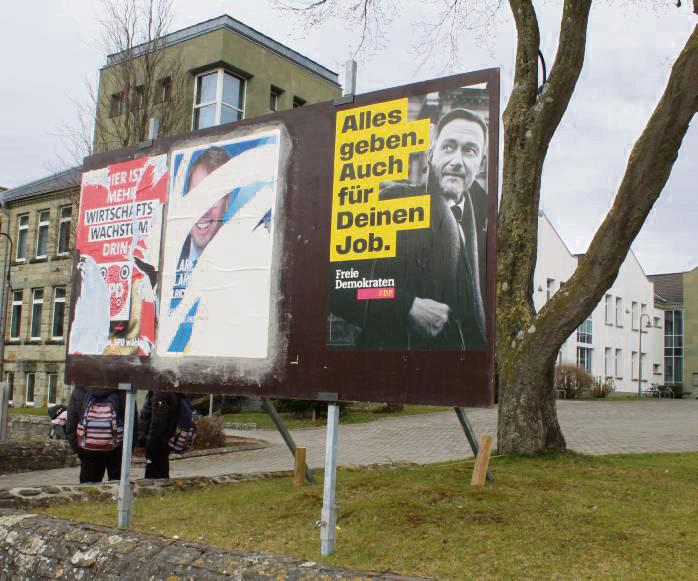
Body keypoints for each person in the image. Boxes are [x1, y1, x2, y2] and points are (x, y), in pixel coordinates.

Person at [346, 108, 488, 351]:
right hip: (393, 372)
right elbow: (343, 285)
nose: (457, 161)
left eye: (470, 151)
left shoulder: (484, 233)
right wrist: (406, 306)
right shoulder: (393, 202)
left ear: (481, 163)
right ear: (431, 153)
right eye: (448, 147)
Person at [65, 385, 136, 483]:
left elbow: (71, 424)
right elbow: (133, 423)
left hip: (88, 450)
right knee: (118, 488)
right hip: (118, 450)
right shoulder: (124, 388)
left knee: (89, 490)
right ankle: (116, 498)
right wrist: (127, 451)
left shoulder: (81, 387)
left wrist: (79, 449)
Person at [137, 391, 181, 479]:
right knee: (161, 469)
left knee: (151, 471)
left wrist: (149, 443)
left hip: (156, 443)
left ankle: (153, 490)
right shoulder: (167, 392)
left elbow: (158, 422)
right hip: (164, 441)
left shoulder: (160, 395)